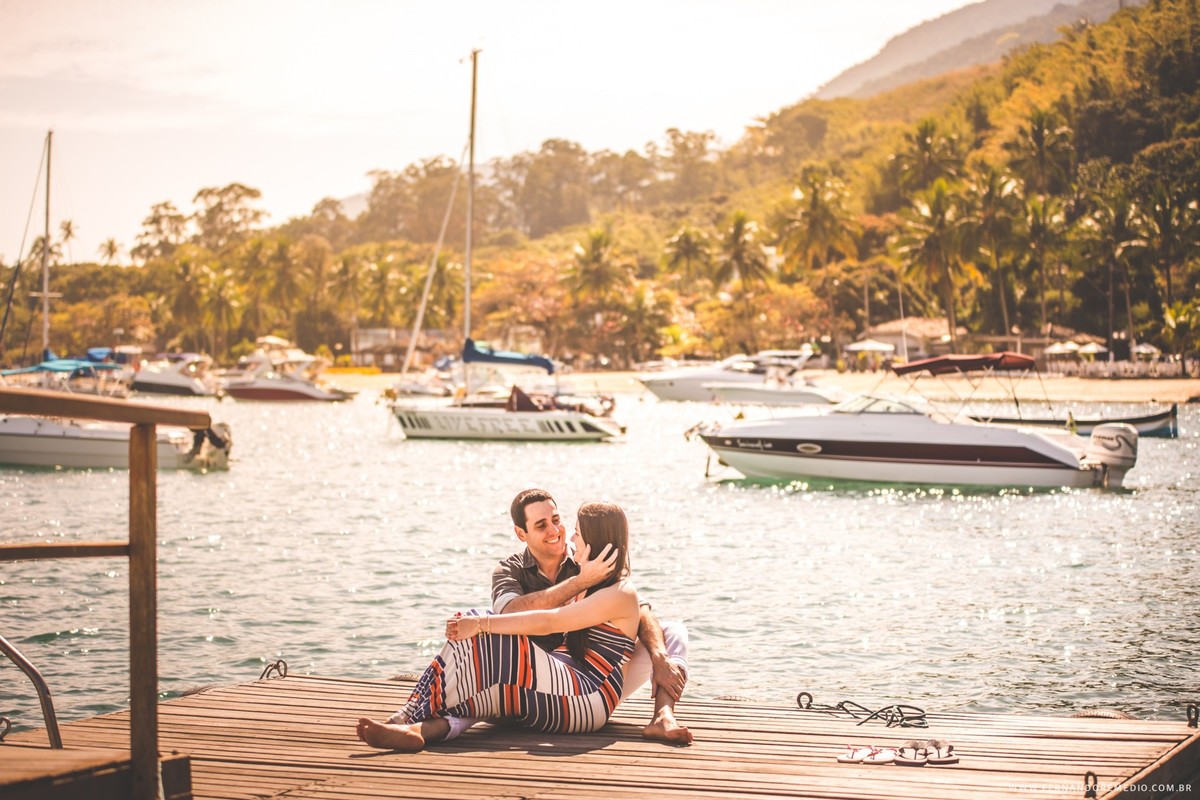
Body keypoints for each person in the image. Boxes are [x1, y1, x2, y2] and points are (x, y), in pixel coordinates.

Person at [356, 501, 640, 751]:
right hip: (568, 689)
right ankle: (416, 730)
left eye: (577, 532)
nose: (570, 538)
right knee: (487, 692)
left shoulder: (619, 593)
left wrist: (481, 624)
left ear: (594, 540)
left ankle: (405, 715)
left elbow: (549, 621)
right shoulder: (586, 581)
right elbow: (514, 609)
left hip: (589, 699)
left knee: (488, 633)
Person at [493, 488, 692, 744]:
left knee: (672, 631)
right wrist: (579, 583)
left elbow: (637, 607)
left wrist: (658, 656)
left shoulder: (583, 558)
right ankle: (450, 722)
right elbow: (508, 613)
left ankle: (663, 716)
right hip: (535, 680)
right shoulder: (509, 570)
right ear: (521, 533)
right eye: (541, 525)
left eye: (556, 520)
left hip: (592, 681)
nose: (555, 531)